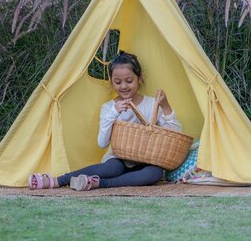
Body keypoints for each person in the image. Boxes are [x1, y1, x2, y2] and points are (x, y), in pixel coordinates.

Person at [28, 51, 182, 191]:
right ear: (111, 82)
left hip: (147, 160)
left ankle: (97, 183)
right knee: (111, 169)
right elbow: (102, 143)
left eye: (129, 81)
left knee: (154, 173)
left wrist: (166, 106)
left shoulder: (152, 104)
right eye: (118, 82)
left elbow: (176, 134)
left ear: (139, 78)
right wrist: (114, 112)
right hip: (118, 159)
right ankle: (58, 181)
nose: (123, 86)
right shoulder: (109, 108)